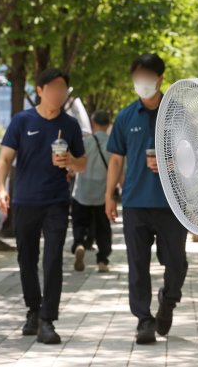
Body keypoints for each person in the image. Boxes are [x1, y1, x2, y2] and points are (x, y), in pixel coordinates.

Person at [0, 68, 87, 344]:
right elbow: (3, 159)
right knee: (27, 259)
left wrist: (70, 161)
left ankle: (48, 319)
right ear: (40, 90)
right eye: (54, 88)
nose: (59, 94)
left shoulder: (69, 125)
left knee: (53, 260)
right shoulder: (22, 121)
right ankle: (33, 310)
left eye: (63, 89)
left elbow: (82, 163)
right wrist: (1, 189)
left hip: (57, 202)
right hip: (25, 201)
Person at [105, 53, 188, 344]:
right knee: (137, 264)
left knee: (176, 262)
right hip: (136, 203)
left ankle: (169, 300)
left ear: (161, 78)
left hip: (172, 204)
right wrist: (109, 197)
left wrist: (173, 163)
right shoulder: (126, 117)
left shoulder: (178, 114)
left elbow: (196, 155)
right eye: (137, 77)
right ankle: (143, 320)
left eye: (147, 77)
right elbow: (116, 160)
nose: (142, 83)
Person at [70, 110, 113, 273]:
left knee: (79, 223)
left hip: (82, 191)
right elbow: (120, 169)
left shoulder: (85, 143)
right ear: (108, 124)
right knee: (103, 227)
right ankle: (102, 259)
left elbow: (74, 164)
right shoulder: (112, 144)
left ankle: (79, 244)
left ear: (93, 124)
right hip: (103, 193)